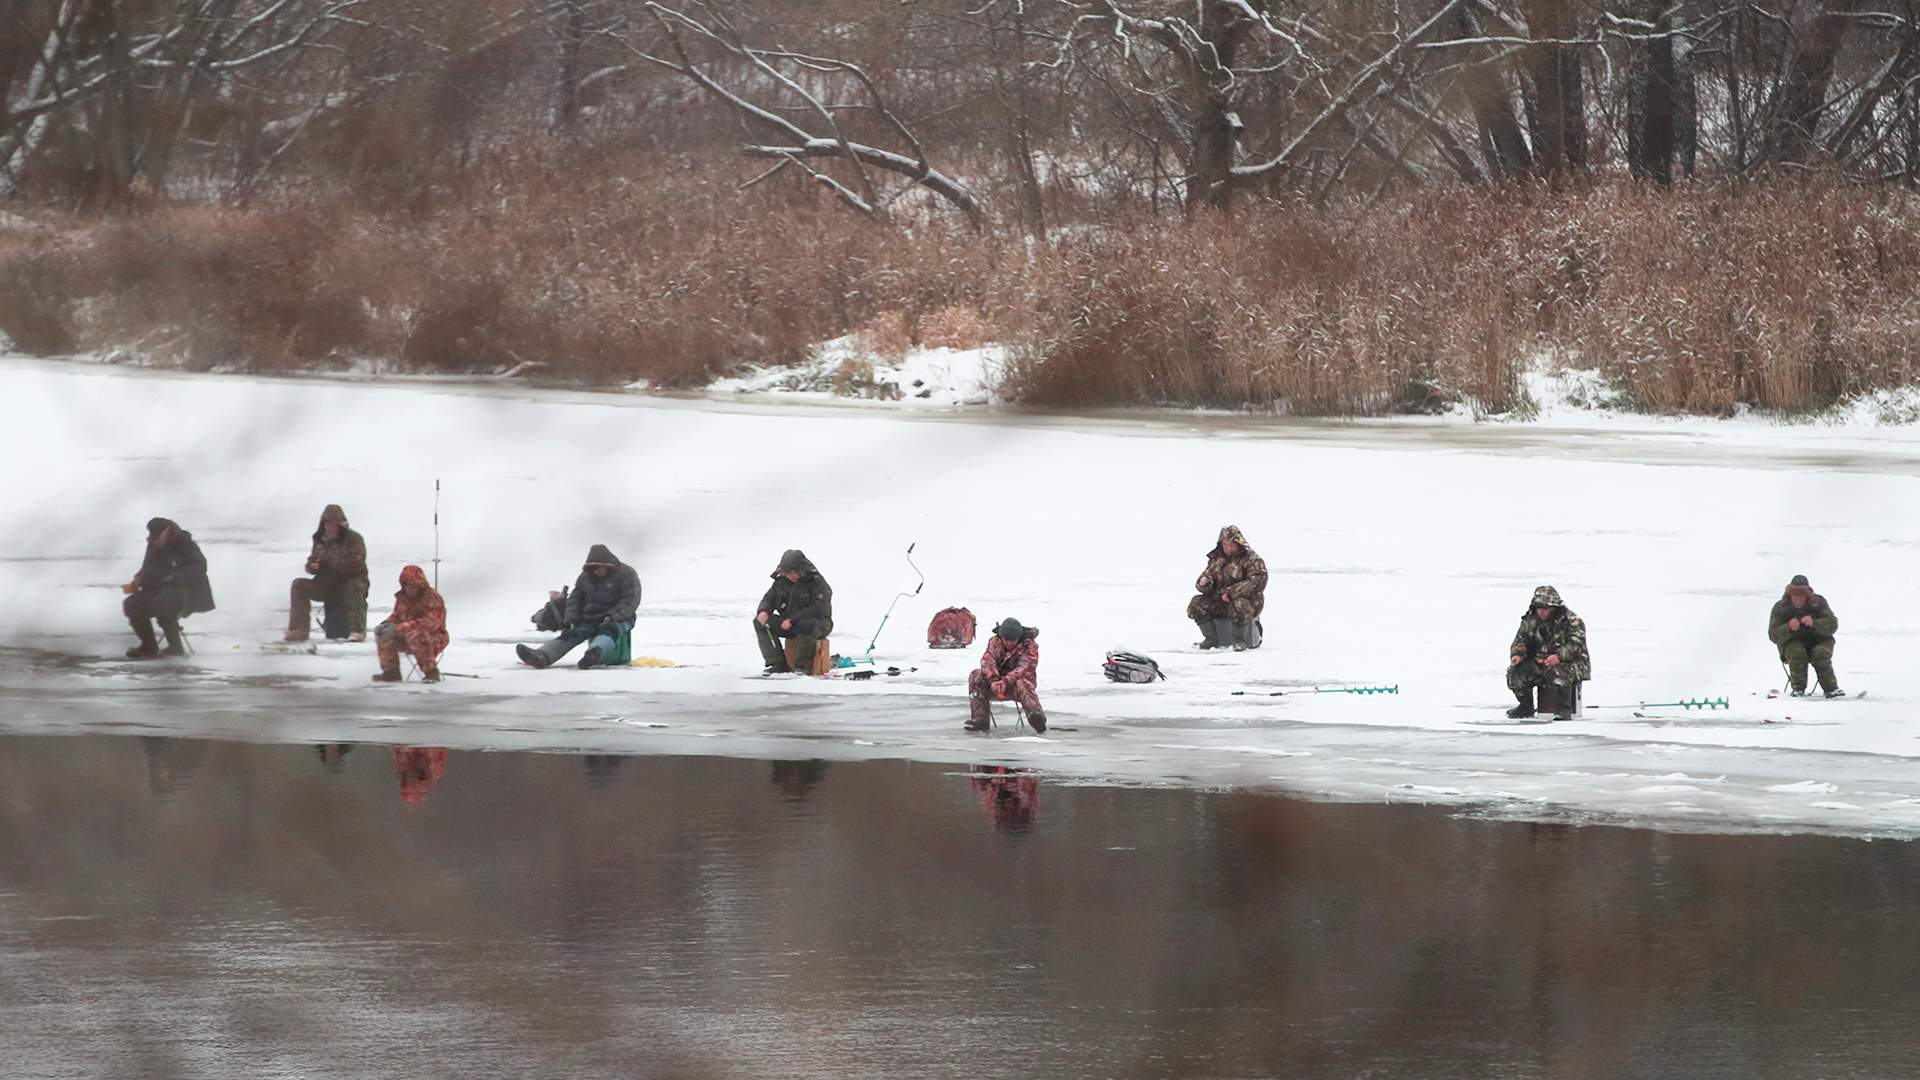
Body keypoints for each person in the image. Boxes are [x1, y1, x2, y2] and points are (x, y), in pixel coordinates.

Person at [516, 544, 641, 669]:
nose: (595, 571)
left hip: (619, 618)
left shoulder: (627, 574)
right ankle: (542, 656)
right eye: (592, 568)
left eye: (597, 567)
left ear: (606, 564)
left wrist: (612, 616)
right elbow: (576, 598)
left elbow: (630, 600)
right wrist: (571, 619)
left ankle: (594, 654)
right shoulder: (585, 577)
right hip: (590, 618)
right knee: (571, 635)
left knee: (608, 631)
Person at [122, 517, 215, 659]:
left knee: (164, 602)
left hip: (186, 591)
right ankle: (149, 646)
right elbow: (147, 569)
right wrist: (139, 579)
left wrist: (174, 577)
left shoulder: (186, 545)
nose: (150, 537)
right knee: (132, 604)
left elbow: (199, 567)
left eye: (154, 534)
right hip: (158, 590)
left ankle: (175, 646)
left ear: (166, 532)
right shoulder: (153, 545)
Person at [286, 504, 368, 642]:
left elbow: (357, 563)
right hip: (325, 585)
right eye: (326, 524)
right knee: (298, 585)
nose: (329, 527)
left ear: (340, 525)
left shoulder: (354, 539)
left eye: (333, 524)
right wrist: (313, 566)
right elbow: (312, 562)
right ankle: (298, 630)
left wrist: (331, 562)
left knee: (355, 587)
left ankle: (357, 631)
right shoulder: (319, 540)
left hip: (348, 583)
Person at [1507, 585, 1590, 720]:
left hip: (1571, 663)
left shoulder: (1572, 621)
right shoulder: (1530, 620)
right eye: (1540, 608)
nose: (1543, 612)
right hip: (1541, 661)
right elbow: (1521, 640)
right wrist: (1517, 654)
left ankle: (1564, 709)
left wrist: (1559, 656)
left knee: (1558, 671)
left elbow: (1576, 645)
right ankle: (1526, 707)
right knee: (1516, 672)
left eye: (1546, 609)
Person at [1187, 525, 1268, 650]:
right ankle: (1211, 639)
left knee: (1239, 603)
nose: (1227, 548)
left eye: (1231, 544)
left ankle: (1240, 641)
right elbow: (1204, 579)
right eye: (1224, 544)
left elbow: (1258, 581)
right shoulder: (1217, 559)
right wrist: (1205, 583)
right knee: (1196, 602)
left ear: (1238, 543)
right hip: (1221, 603)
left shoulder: (1251, 559)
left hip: (1247, 604)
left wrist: (1230, 593)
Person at [753, 549, 833, 675]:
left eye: (792, 572)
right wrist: (763, 611)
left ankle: (802, 666)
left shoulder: (818, 583)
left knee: (807, 625)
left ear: (801, 569)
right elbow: (770, 598)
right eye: (786, 573)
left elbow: (817, 609)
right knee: (760, 623)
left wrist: (792, 619)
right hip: (788, 623)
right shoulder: (781, 582)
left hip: (818, 624)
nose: (789, 576)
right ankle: (777, 663)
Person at [967, 617, 1046, 734]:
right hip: (995, 684)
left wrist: (1005, 681)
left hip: (1018, 686)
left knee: (1022, 683)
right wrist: (994, 680)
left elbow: (1025, 668)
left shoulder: (1030, 646)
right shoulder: (994, 642)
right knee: (975, 675)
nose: (1009, 643)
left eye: (1013, 640)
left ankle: (1036, 717)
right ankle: (980, 721)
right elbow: (988, 660)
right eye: (1006, 640)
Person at [1769, 574, 1842, 698]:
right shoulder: (1780, 608)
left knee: (1820, 654)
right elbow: (1773, 635)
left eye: (1801, 597)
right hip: (1792, 643)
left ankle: (1831, 688)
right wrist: (1788, 628)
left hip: (1819, 641)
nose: (1798, 600)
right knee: (1796, 652)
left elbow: (1833, 625)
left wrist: (1815, 623)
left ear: (1807, 595)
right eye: (1795, 597)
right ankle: (1798, 688)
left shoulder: (1819, 603)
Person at [373, 565, 448, 683]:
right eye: (407, 586)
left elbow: (430, 623)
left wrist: (399, 628)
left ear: (420, 585)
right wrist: (387, 624)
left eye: (413, 586)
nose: (410, 589)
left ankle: (431, 672)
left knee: (416, 634)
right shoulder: (402, 598)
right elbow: (397, 616)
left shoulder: (432, 598)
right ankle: (391, 673)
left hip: (434, 637)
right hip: (406, 636)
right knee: (384, 634)